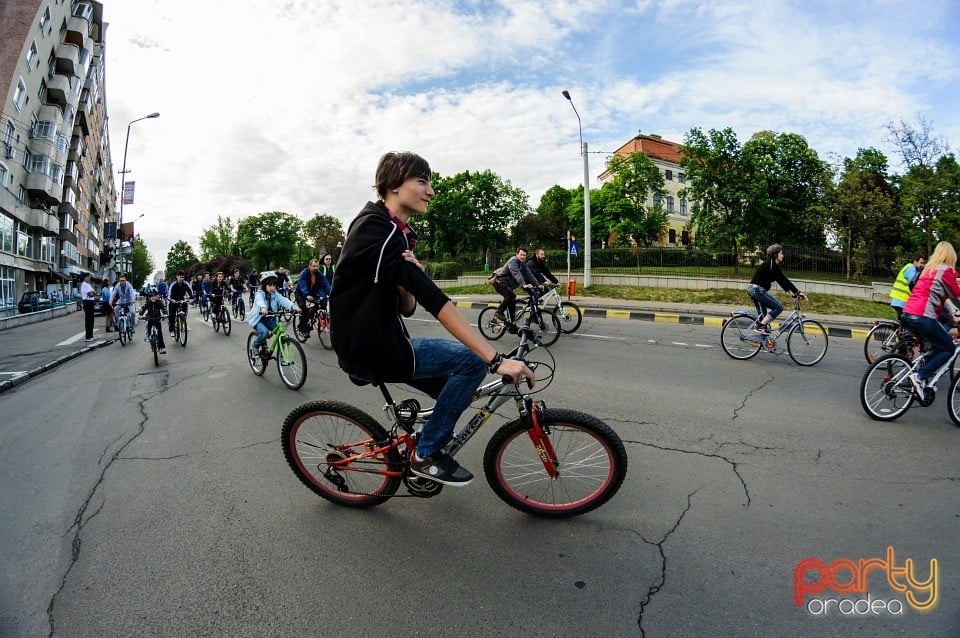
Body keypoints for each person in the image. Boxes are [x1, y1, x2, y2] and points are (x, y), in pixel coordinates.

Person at [330, 151, 532, 486]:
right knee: (471, 365)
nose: (431, 191)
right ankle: (425, 455)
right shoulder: (378, 232)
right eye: (422, 181)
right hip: (373, 348)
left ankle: (421, 437)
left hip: (377, 341)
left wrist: (408, 277)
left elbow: (407, 306)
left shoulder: (390, 231)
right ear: (394, 185)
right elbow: (436, 303)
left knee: (456, 395)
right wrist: (496, 360)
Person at [900, 241, 960, 400]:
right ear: (950, 256)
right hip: (923, 317)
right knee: (949, 348)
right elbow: (957, 296)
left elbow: (941, 296)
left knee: (936, 344)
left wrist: (953, 316)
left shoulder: (928, 269)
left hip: (907, 315)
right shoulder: (946, 271)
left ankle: (918, 369)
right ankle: (919, 377)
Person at [747, 244, 806, 336]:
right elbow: (783, 280)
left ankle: (760, 340)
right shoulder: (771, 264)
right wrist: (798, 292)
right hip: (757, 290)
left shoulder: (771, 265)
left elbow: (781, 281)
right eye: (781, 253)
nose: (783, 255)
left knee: (763, 318)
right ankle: (759, 327)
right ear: (775, 255)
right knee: (778, 307)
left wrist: (792, 293)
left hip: (755, 289)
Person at [246, 271, 299, 358]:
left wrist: (293, 306)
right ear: (264, 285)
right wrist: (263, 308)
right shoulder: (260, 293)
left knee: (281, 334)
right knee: (264, 333)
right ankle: (255, 346)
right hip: (258, 319)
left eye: (274, 285)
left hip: (269, 318)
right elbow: (260, 300)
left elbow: (283, 300)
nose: (272, 287)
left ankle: (282, 354)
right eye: (269, 285)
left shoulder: (275, 294)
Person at [492, 247, 539, 325]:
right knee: (511, 296)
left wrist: (538, 285)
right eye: (521, 255)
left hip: (508, 285)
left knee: (512, 304)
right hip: (500, 283)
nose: (523, 257)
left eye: (524, 255)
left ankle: (512, 324)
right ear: (516, 254)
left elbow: (529, 274)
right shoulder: (513, 261)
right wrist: (524, 284)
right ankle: (499, 312)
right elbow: (517, 274)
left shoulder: (522, 263)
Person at [295, 258, 332, 338]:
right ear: (310, 266)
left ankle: (311, 316)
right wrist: (307, 294)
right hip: (301, 293)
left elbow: (325, 283)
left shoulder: (318, 274)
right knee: (303, 308)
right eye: (314, 266)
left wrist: (331, 293)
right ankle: (303, 329)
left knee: (320, 302)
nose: (316, 268)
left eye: (317, 266)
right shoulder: (305, 273)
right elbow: (303, 284)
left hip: (311, 293)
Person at [890, 252, 925, 320]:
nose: (922, 265)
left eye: (923, 263)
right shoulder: (911, 268)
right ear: (915, 261)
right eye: (921, 263)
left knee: (903, 322)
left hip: (898, 300)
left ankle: (897, 330)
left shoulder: (913, 269)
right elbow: (913, 283)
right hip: (901, 300)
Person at [138, 288, 167, 354]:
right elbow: (143, 309)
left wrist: (165, 314)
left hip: (157, 318)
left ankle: (161, 348)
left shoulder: (159, 302)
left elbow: (163, 308)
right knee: (149, 326)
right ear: (149, 297)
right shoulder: (148, 303)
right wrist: (140, 315)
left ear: (157, 297)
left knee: (159, 333)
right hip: (150, 318)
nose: (153, 298)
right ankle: (148, 335)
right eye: (151, 296)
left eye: (154, 296)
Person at [167, 270, 194, 335]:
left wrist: (192, 298)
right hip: (173, 301)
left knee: (184, 311)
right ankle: (172, 330)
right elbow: (169, 294)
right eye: (180, 277)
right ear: (177, 277)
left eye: (183, 277)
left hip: (181, 300)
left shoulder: (185, 284)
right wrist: (171, 299)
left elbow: (190, 291)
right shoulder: (173, 284)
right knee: (171, 316)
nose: (181, 279)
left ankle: (183, 321)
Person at [79, 273, 97, 341]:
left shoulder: (88, 285)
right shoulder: (84, 284)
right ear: (85, 278)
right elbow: (90, 294)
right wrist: (93, 293)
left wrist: (93, 293)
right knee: (89, 320)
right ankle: (88, 336)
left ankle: (91, 335)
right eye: (88, 277)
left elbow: (94, 292)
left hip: (90, 302)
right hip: (87, 302)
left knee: (91, 319)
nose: (89, 278)